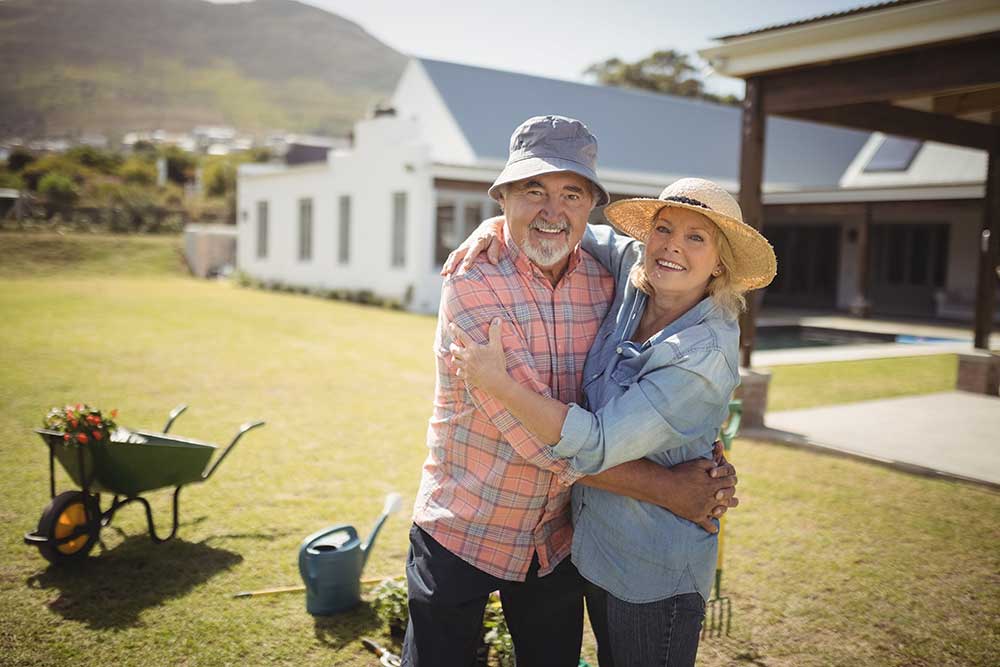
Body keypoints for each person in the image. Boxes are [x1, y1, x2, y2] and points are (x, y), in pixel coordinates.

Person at [403, 117, 740, 667]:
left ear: (589, 206)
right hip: (466, 526)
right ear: (504, 196)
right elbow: (533, 438)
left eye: (571, 194)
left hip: (556, 539)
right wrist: (669, 489)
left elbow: (590, 436)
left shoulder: (610, 278)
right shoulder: (473, 284)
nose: (553, 210)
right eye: (533, 191)